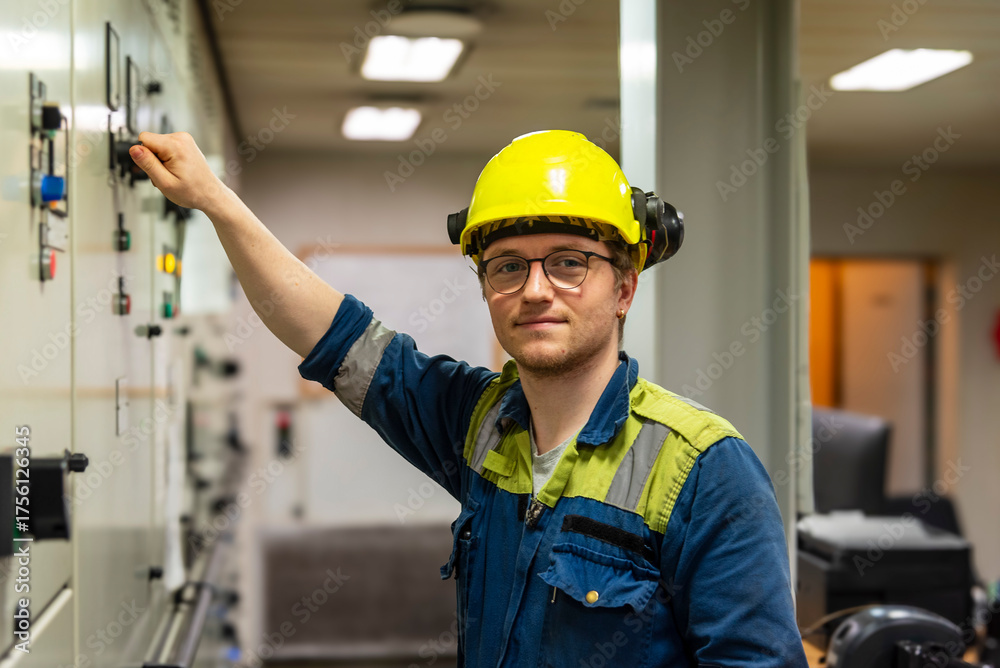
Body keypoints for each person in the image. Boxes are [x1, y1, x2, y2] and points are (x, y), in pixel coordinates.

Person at [130, 129, 808, 667]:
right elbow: (335, 338)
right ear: (486, 288)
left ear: (624, 288)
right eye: (508, 266)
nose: (536, 289)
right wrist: (216, 200)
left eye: (569, 262)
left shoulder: (704, 470)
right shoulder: (480, 422)